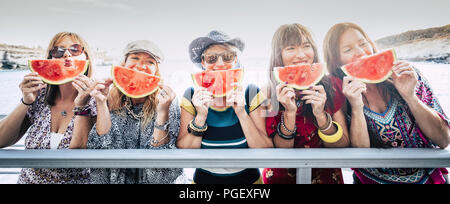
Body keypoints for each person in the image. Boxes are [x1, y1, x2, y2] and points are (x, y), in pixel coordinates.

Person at [323, 22, 450, 184]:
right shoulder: (340, 94)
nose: (360, 53)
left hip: (427, 178)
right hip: (372, 180)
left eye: (363, 44)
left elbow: (444, 139)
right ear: (337, 62)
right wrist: (356, 107)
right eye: (348, 50)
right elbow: (360, 155)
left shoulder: (406, 75)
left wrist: (411, 97)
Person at [70, 40, 184, 184]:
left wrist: (162, 113)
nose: (142, 66)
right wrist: (101, 103)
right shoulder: (107, 98)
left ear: (157, 71)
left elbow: (159, 174)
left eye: (150, 62)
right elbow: (104, 152)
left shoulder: (168, 102)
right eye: (135, 58)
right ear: (123, 64)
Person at [0, 32, 97, 184]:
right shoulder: (40, 97)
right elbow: (1, 139)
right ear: (50, 59)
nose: (66, 54)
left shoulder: (99, 100)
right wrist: (26, 101)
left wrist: (82, 105)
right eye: (58, 51)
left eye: (75, 49)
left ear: (87, 58)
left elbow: (78, 155)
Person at [177, 30, 273, 184]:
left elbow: (264, 149)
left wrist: (242, 113)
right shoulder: (191, 95)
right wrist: (200, 117)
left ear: (236, 60)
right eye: (212, 58)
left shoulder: (251, 93)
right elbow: (185, 151)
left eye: (228, 57)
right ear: (203, 63)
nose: (220, 64)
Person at [262, 24, 350, 184]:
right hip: (282, 180)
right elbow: (281, 151)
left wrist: (321, 115)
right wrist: (289, 113)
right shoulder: (267, 94)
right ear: (278, 55)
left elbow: (342, 144)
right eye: (291, 48)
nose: (301, 55)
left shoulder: (332, 85)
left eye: (306, 46)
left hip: (327, 178)